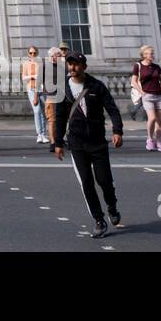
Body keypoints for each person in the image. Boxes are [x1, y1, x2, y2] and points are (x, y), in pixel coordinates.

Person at [53, 53, 124, 238]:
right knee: (86, 183)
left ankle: (112, 205)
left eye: (76, 64)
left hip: (97, 141)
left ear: (84, 66)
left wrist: (117, 131)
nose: (72, 68)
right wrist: (57, 142)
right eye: (70, 64)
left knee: (104, 180)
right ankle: (99, 220)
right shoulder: (63, 89)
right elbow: (59, 117)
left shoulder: (96, 85)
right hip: (76, 143)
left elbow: (112, 109)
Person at [131, 45, 161, 152]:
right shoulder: (138, 66)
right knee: (152, 118)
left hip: (159, 95)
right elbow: (134, 81)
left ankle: (159, 142)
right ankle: (149, 139)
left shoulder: (157, 67)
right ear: (144, 55)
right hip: (147, 95)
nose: (152, 55)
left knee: (159, 122)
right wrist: (141, 91)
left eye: (152, 53)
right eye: (150, 53)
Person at [38, 46, 65, 149]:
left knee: (61, 119)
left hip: (62, 96)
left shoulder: (62, 66)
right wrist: (36, 96)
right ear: (52, 56)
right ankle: (53, 142)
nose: (60, 57)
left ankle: (60, 140)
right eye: (58, 55)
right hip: (50, 96)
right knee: (52, 120)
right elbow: (38, 81)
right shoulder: (44, 66)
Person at [21, 46, 46, 143]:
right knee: (37, 111)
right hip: (31, 89)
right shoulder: (26, 64)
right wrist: (33, 76)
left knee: (43, 112)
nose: (33, 55)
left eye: (34, 53)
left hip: (42, 89)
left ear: (37, 53)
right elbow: (23, 78)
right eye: (31, 53)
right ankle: (39, 134)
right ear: (28, 54)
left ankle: (44, 134)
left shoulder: (41, 63)